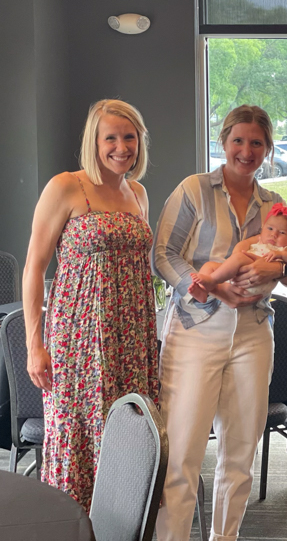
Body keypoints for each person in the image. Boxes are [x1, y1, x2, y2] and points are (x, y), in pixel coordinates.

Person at [153, 105, 287, 541]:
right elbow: (164, 254)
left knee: (240, 455)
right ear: (223, 142)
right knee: (182, 454)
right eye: (238, 140)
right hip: (195, 331)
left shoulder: (275, 207)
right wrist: (213, 287)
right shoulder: (194, 190)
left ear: (268, 149)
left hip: (254, 334)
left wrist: (277, 271)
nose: (246, 150)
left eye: (257, 142)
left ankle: (226, 537)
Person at [22, 99, 159, 511]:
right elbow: (33, 268)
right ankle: (73, 527)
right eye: (111, 138)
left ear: (140, 141)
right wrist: (35, 344)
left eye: (129, 137)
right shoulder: (66, 186)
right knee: (78, 434)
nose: (121, 146)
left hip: (132, 336)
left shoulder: (138, 192)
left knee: (130, 434)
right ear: (94, 142)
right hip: (78, 337)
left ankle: (123, 525)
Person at [188, 202, 287, 303]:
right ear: (263, 227)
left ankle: (212, 281)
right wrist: (236, 256)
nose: (274, 234)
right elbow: (243, 244)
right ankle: (203, 291)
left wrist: (282, 255)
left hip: (260, 282)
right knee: (209, 266)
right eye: (270, 229)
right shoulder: (260, 238)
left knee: (240, 258)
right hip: (238, 275)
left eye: (282, 233)